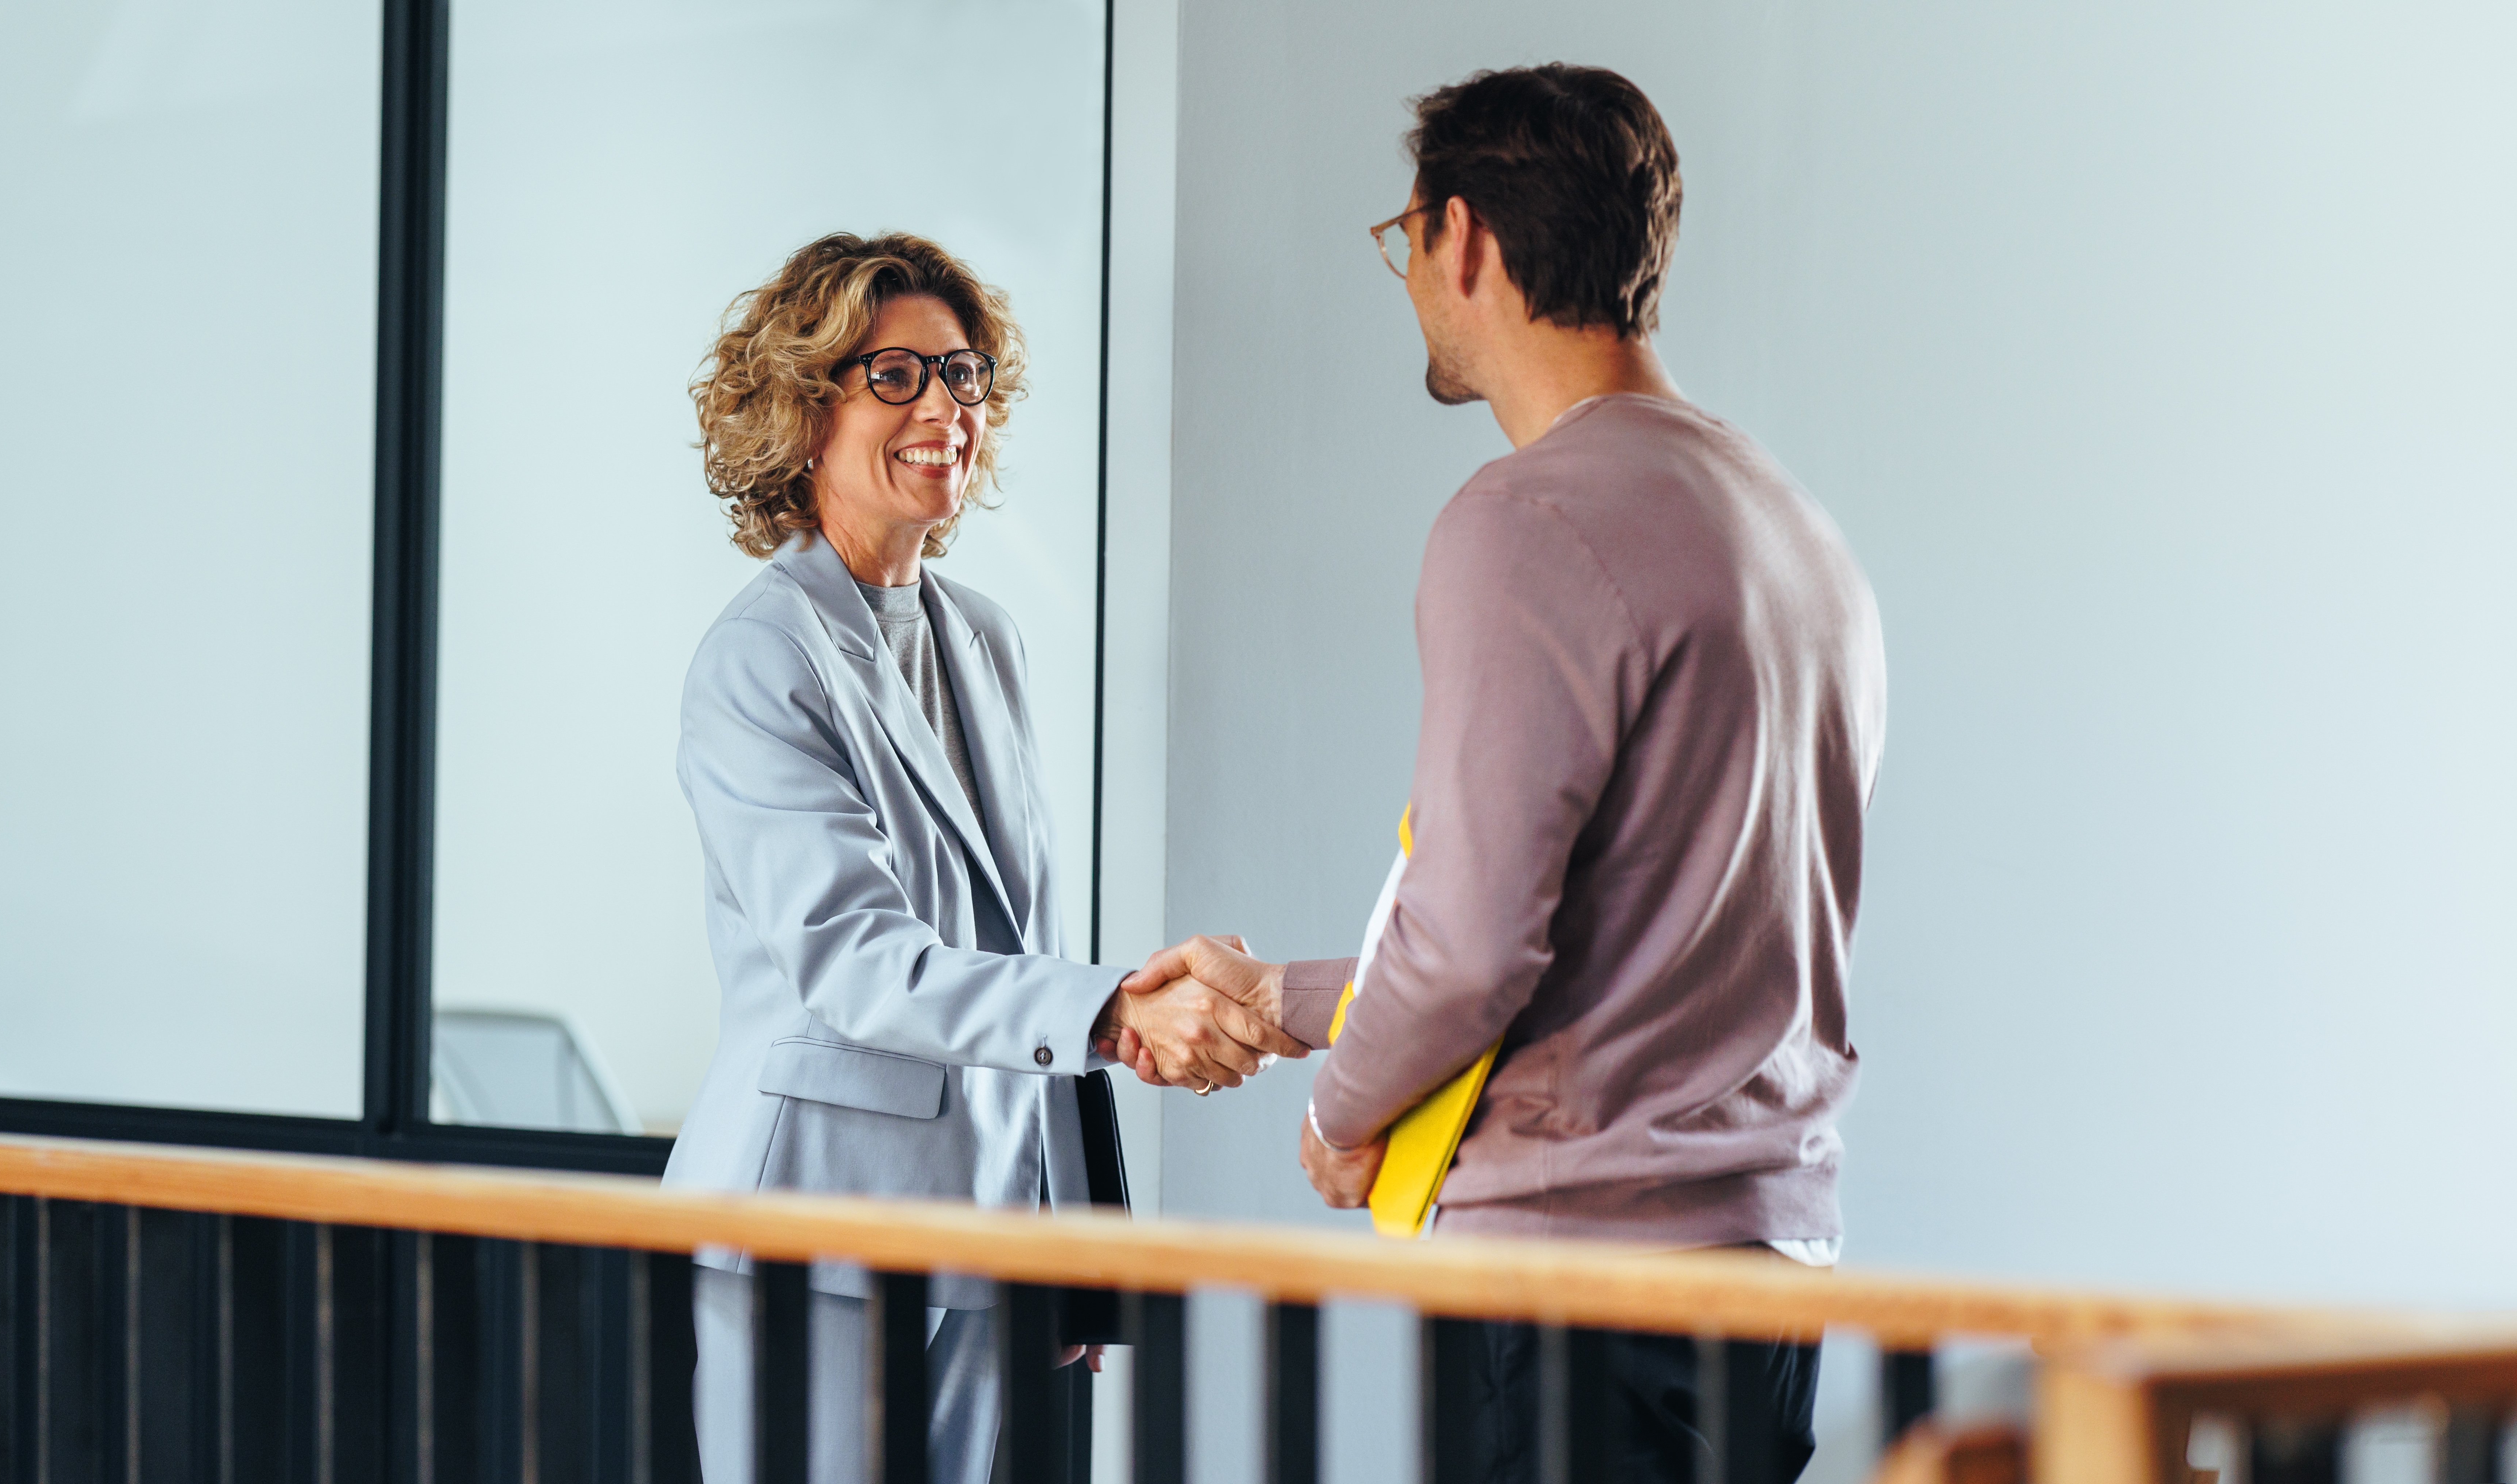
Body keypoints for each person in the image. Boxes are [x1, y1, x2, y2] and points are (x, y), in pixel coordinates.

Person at [1108, 66, 1887, 1484]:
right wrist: (1280, 1002)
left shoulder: (1523, 520)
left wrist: (1339, 1118)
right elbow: (1615, 937)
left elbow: (1473, 949)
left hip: (1578, 1281)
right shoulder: (1788, 530)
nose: (1408, 276)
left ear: (1460, 239)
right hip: (1767, 1271)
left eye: (1404, 241)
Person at [666, 232, 1303, 1484]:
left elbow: (1022, 943)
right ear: (804, 410)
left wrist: (1074, 1236)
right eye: (892, 375)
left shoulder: (985, 639)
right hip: (814, 1229)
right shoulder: (758, 660)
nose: (942, 408)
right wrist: (1121, 1007)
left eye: (960, 375)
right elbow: (858, 963)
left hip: (974, 1231)